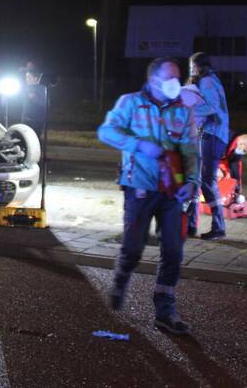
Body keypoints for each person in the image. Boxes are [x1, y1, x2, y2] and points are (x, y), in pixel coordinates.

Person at [98, 56, 199, 335]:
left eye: (178, 77)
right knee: (133, 246)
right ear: (153, 80)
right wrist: (139, 145)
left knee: (174, 251)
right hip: (139, 187)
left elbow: (191, 149)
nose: (175, 83)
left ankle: (165, 310)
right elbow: (106, 131)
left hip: (172, 191)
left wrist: (192, 182)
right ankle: (121, 277)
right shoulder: (130, 102)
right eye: (170, 78)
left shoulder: (182, 110)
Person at [181, 52, 230, 240]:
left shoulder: (208, 81)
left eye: (192, 65)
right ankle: (191, 225)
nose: (191, 69)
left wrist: (188, 108)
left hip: (213, 135)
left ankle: (219, 227)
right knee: (197, 179)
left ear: (199, 66)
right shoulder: (208, 80)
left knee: (208, 181)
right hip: (208, 135)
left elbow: (212, 108)